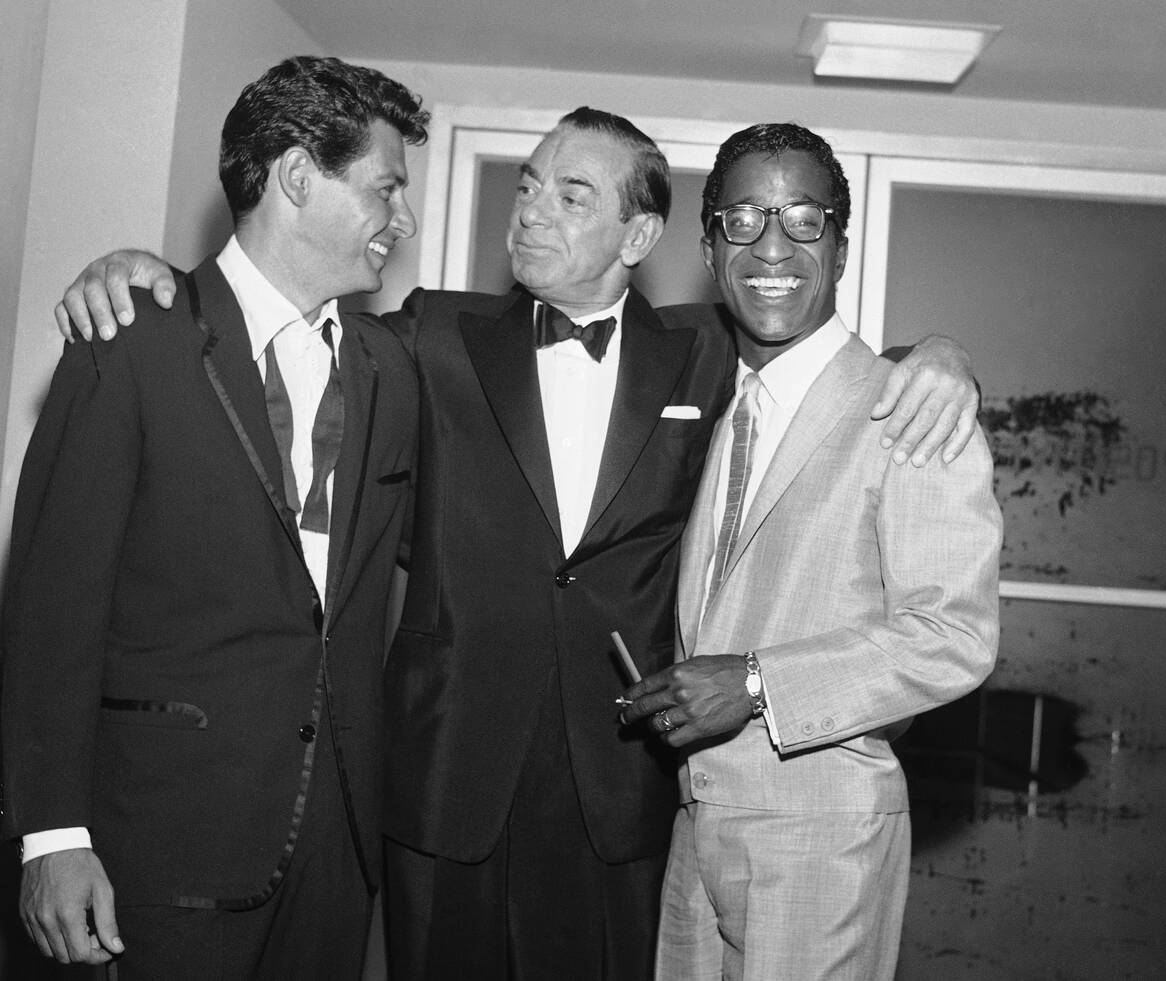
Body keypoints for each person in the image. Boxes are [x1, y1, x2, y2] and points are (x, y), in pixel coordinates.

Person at [55, 109, 979, 981]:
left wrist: (942, 355)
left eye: (571, 196)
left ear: (640, 237)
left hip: (627, 795)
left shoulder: (703, 350)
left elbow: (825, 361)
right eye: (529, 186)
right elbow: (277, 323)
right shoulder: (432, 334)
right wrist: (150, 278)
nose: (530, 209)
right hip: (445, 783)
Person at [2, 56, 427, 979]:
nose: (404, 220)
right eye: (386, 189)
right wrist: (51, 834)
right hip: (155, 850)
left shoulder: (391, 373)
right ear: (299, 176)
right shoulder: (133, 339)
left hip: (336, 852)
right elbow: (49, 609)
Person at [620, 122, 1002, 980]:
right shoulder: (708, 392)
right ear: (711, 244)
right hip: (695, 831)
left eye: (803, 220)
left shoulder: (914, 404)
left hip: (824, 841)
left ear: (839, 244)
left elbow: (956, 635)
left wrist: (756, 683)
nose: (774, 247)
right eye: (746, 219)